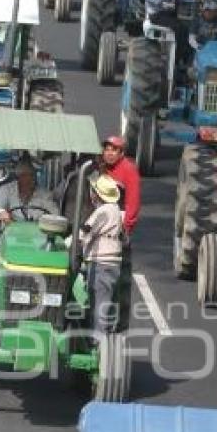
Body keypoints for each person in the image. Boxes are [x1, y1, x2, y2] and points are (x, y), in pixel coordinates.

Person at [80, 175, 124, 334]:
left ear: (96, 194)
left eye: (92, 191)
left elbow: (85, 232)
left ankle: (98, 341)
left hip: (101, 263)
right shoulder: (115, 210)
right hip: (111, 262)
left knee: (99, 303)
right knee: (103, 301)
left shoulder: (103, 212)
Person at [99, 135, 141, 238]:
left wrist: (126, 226)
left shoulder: (129, 170)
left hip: (118, 217)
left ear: (121, 153)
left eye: (114, 150)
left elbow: (133, 201)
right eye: (107, 150)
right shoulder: (100, 166)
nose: (109, 153)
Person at [0, 159, 57, 224]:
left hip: (37, 230)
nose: (32, 180)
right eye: (26, 176)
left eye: (32, 176)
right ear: (19, 177)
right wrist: (2, 213)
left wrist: (46, 220)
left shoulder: (45, 194)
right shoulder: (6, 189)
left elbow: (55, 213)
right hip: (11, 228)